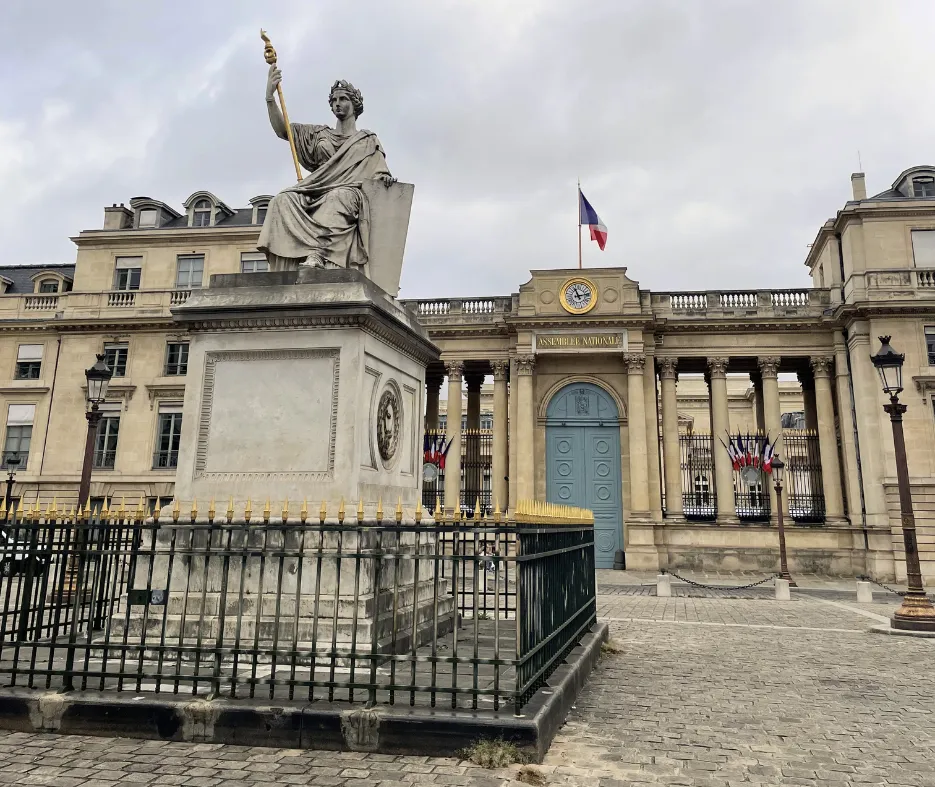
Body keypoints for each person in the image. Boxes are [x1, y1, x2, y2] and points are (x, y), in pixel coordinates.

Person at [258, 65, 396, 273]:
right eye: (334, 101)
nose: (337, 104)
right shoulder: (319, 134)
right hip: (315, 188)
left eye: (343, 99)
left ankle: (318, 253)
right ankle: (283, 270)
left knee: (337, 197)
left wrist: (384, 179)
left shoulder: (367, 140)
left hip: (349, 191)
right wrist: (270, 97)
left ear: (354, 104)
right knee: (282, 200)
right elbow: (282, 130)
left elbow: (379, 172)